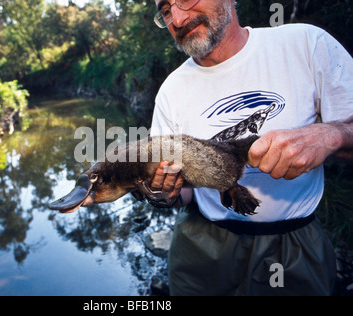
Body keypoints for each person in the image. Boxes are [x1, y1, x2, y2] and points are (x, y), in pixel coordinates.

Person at [148, 0, 353, 295]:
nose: (177, 19)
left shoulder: (306, 44)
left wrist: (331, 134)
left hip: (293, 245)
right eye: (166, 10)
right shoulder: (171, 89)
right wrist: (163, 192)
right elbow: (184, 193)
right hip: (201, 244)